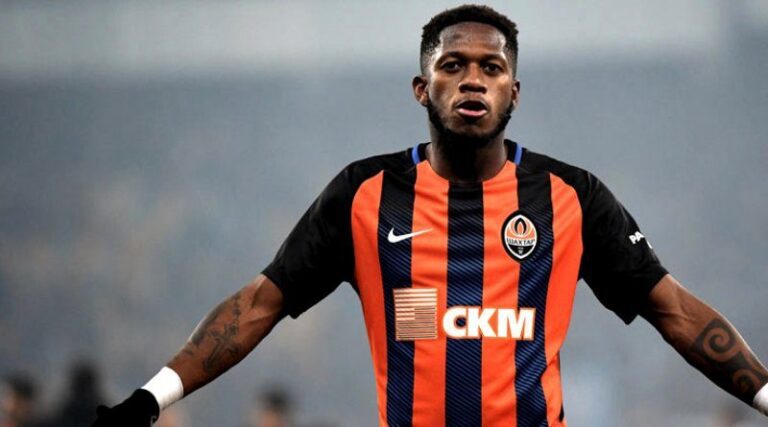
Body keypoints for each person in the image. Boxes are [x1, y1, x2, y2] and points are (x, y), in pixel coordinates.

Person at [92, 4, 768, 426]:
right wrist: (149, 399)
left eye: (491, 68)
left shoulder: (571, 195)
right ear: (422, 87)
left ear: (514, 93)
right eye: (453, 65)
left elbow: (675, 311)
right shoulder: (363, 194)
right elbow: (259, 305)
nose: (473, 79)